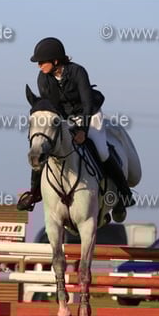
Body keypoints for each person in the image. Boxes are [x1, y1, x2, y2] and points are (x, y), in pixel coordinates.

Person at [17, 37, 135, 212]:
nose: (39, 65)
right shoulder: (43, 78)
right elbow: (51, 108)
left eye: (42, 62)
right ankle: (34, 193)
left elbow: (87, 104)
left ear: (55, 61)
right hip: (65, 119)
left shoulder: (78, 72)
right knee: (44, 146)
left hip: (89, 115)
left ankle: (124, 193)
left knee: (101, 151)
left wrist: (82, 130)